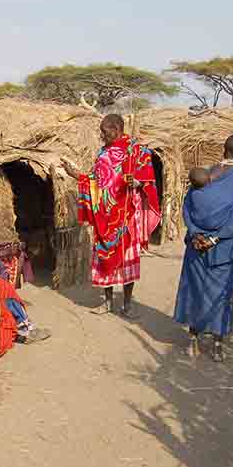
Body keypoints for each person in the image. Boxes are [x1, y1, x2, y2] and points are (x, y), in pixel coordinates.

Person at [61, 114, 160, 318]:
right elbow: (96, 179)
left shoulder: (137, 151)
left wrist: (138, 183)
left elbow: (148, 179)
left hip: (126, 217)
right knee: (104, 259)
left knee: (127, 261)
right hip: (104, 217)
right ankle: (107, 302)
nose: (101, 135)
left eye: (104, 131)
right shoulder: (103, 152)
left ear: (116, 129)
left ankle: (127, 305)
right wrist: (76, 175)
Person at [173, 133, 233, 362]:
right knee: (222, 293)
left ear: (224, 151)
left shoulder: (203, 174)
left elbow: (187, 208)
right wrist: (215, 239)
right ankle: (218, 346)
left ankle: (193, 341)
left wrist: (195, 233)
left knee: (195, 289)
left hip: (196, 245)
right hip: (224, 249)